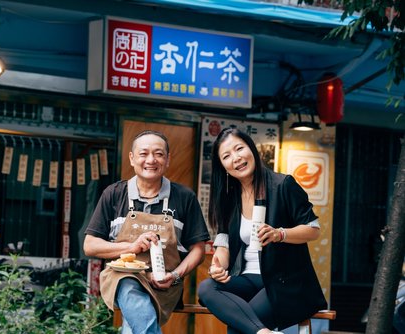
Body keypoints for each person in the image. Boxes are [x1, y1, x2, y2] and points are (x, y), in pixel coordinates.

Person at [197, 127, 327, 334]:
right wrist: (218, 266)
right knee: (206, 288)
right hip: (247, 277)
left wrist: (280, 234)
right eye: (227, 156)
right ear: (223, 166)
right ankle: (263, 332)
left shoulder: (283, 185)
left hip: (284, 280)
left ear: (252, 148)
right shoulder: (229, 197)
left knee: (237, 329)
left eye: (239, 148)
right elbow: (223, 241)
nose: (236, 158)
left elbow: (313, 230)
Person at [84, 130, 210, 334]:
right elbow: (90, 245)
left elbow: (198, 249)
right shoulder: (114, 194)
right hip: (122, 277)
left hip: (165, 284)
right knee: (130, 287)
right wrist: (130, 247)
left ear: (168, 160)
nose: (151, 160)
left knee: (132, 325)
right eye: (143, 154)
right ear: (132, 158)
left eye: (159, 154)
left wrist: (175, 275)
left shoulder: (184, 197)